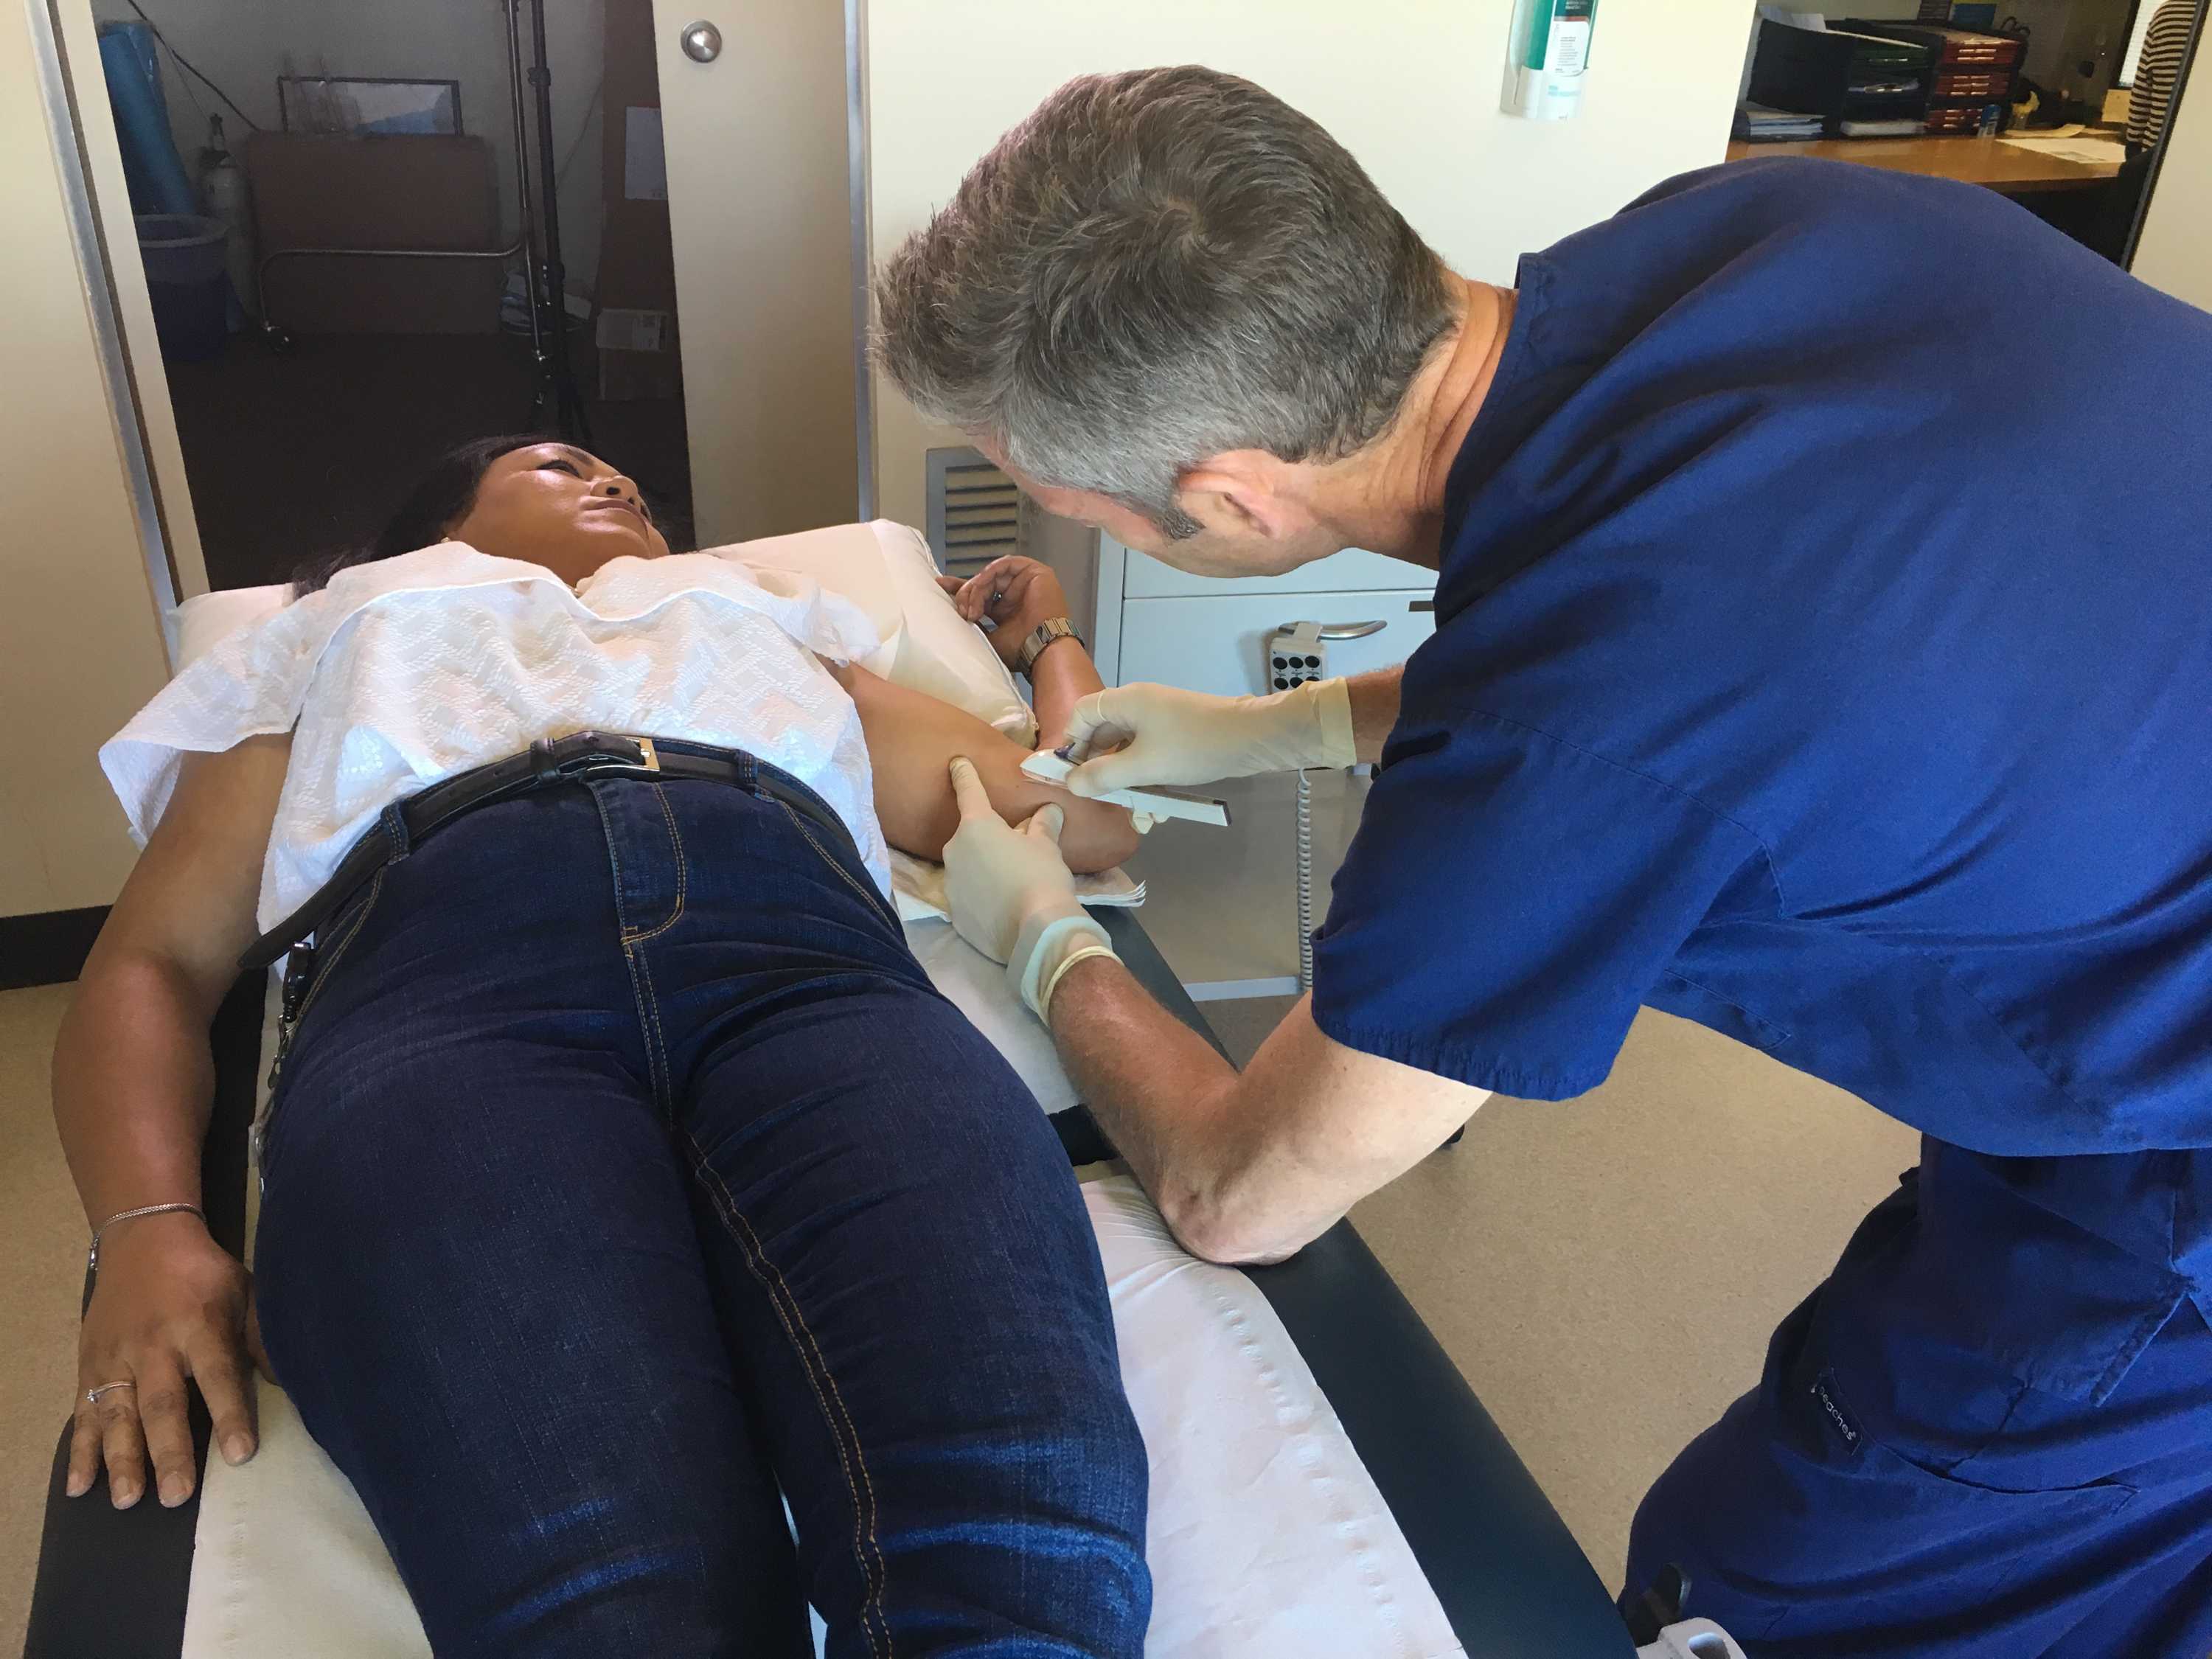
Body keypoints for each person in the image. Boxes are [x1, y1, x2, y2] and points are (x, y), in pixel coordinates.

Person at [883, 66, 2212, 1656]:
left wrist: (1050, 939)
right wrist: (1270, 730)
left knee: (1768, 1587)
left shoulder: (1567, 737)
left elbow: (1241, 1194)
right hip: (2143, 826)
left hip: (2169, 1162)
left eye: (1081, 508)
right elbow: (1701, 600)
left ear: (1230, 498)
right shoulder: (1752, 228)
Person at [53, 435, 1151, 1657]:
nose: (616, 481)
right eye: (559, 464)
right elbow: (152, 962)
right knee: (614, 1598)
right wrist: (143, 1226)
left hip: (806, 968)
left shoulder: (756, 611)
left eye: (622, 475)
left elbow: (1089, 814)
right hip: (442, 993)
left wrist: (1047, 636)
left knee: (1024, 1531)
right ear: (442, 521)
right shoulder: (348, 623)